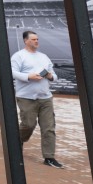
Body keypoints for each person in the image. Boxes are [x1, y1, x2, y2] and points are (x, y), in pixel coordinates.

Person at [11, 30, 62, 169]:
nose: (36, 41)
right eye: (33, 39)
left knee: (49, 128)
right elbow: (12, 72)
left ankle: (49, 157)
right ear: (26, 41)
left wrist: (51, 76)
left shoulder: (44, 57)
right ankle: (17, 142)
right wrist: (29, 77)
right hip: (26, 97)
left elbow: (54, 75)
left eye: (37, 39)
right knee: (28, 125)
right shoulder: (19, 56)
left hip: (45, 97)